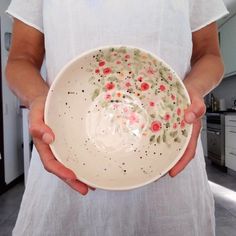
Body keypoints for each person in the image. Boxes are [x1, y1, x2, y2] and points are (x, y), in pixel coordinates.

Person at [5, 1, 228, 235]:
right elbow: (21, 59)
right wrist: (39, 99)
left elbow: (209, 54)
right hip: (62, 158)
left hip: (172, 171)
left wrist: (191, 91)